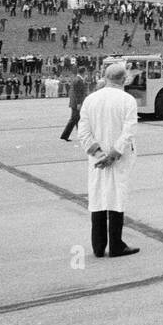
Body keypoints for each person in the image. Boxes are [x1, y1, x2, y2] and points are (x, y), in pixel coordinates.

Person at [76, 62, 140, 258]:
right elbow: (129, 131)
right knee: (116, 198)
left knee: (97, 197)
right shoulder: (128, 100)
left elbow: (83, 132)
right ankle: (116, 245)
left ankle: (98, 245)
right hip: (119, 159)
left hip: (96, 159)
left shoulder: (90, 100)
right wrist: (114, 154)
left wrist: (99, 154)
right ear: (123, 79)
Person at [60, 69, 88, 141]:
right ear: (83, 72)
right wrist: (79, 103)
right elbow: (77, 93)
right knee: (74, 119)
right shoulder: (78, 80)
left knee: (77, 119)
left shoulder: (77, 79)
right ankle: (65, 135)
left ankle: (80, 135)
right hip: (76, 103)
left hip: (75, 102)